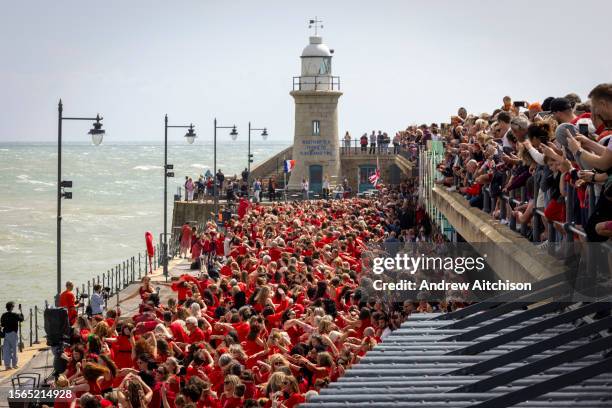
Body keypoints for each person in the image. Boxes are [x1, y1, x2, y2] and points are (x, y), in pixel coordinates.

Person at [1, 302, 24, 370]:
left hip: (6, 334)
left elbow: (2, 324)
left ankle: (7, 365)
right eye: (13, 306)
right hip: (13, 334)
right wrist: (21, 310)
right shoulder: (15, 315)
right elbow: (21, 319)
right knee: (14, 350)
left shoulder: (3, 315)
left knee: (6, 350)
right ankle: (14, 364)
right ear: (11, 307)